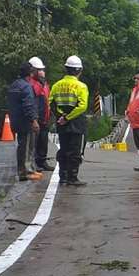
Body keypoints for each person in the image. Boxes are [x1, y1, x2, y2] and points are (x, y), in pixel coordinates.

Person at [49, 55, 89, 186]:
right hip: (77, 122)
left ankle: (63, 177)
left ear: (66, 69)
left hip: (61, 123)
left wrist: (61, 116)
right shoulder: (81, 86)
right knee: (75, 150)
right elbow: (82, 106)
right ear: (79, 70)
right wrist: (68, 117)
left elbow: (51, 102)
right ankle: (72, 177)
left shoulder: (56, 85)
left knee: (64, 149)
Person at [7, 62, 41, 182]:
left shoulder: (14, 85)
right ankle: (25, 172)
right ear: (30, 74)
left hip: (15, 119)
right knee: (26, 147)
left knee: (23, 146)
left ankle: (28, 169)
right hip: (25, 122)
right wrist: (34, 120)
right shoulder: (26, 87)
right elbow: (28, 105)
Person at [28, 56, 54, 172]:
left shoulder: (44, 83)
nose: (41, 72)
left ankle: (42, 161)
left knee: (43, 141)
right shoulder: (31, 84)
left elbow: (47, 99)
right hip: (36, 118)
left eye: (42, 70)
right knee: (34, 142)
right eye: (39, 70)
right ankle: (34, 163)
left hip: (45, 117)